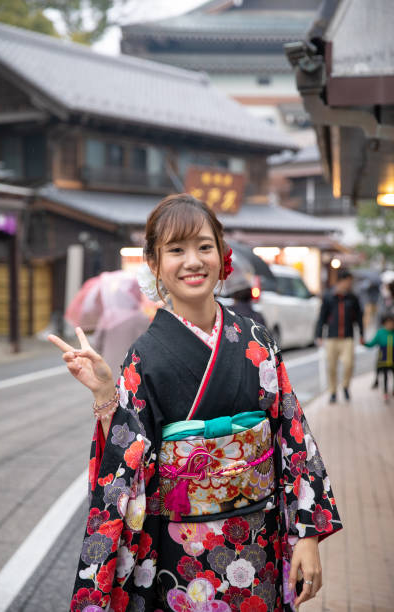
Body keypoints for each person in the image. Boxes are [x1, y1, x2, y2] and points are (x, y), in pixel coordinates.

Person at [49, 194, 341, 612]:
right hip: (180, 554)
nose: (193, 261)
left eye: (204, 246)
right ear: (154, 263)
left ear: (223, 254)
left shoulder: (256, 340)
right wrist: (104, 397)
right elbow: (130, 458)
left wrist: (308, 535)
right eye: (176, 249)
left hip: (259, 539)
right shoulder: (144, 357)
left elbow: (293, 436)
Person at [315, 269, 364, 403]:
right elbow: (322, 316)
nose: (349, 284)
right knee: (331, 366)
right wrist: (319, 335)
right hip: (332, 337)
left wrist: (361, 334)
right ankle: (333, 392)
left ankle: (346, 386)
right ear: (341, 281)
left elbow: (359, 317)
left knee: (349, 364)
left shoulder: (353, 298)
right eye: (348, 282)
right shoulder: (329, 297)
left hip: (347, 337)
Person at [365, 313, 394, 402]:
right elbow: (372, 344)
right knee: (385, 377)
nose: (390, 325)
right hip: (383, 360)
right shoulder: (380, 333)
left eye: (392, 323)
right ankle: (385, 393)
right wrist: (364, 343)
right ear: (384, 323)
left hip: (393, 360)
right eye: (388, 323)